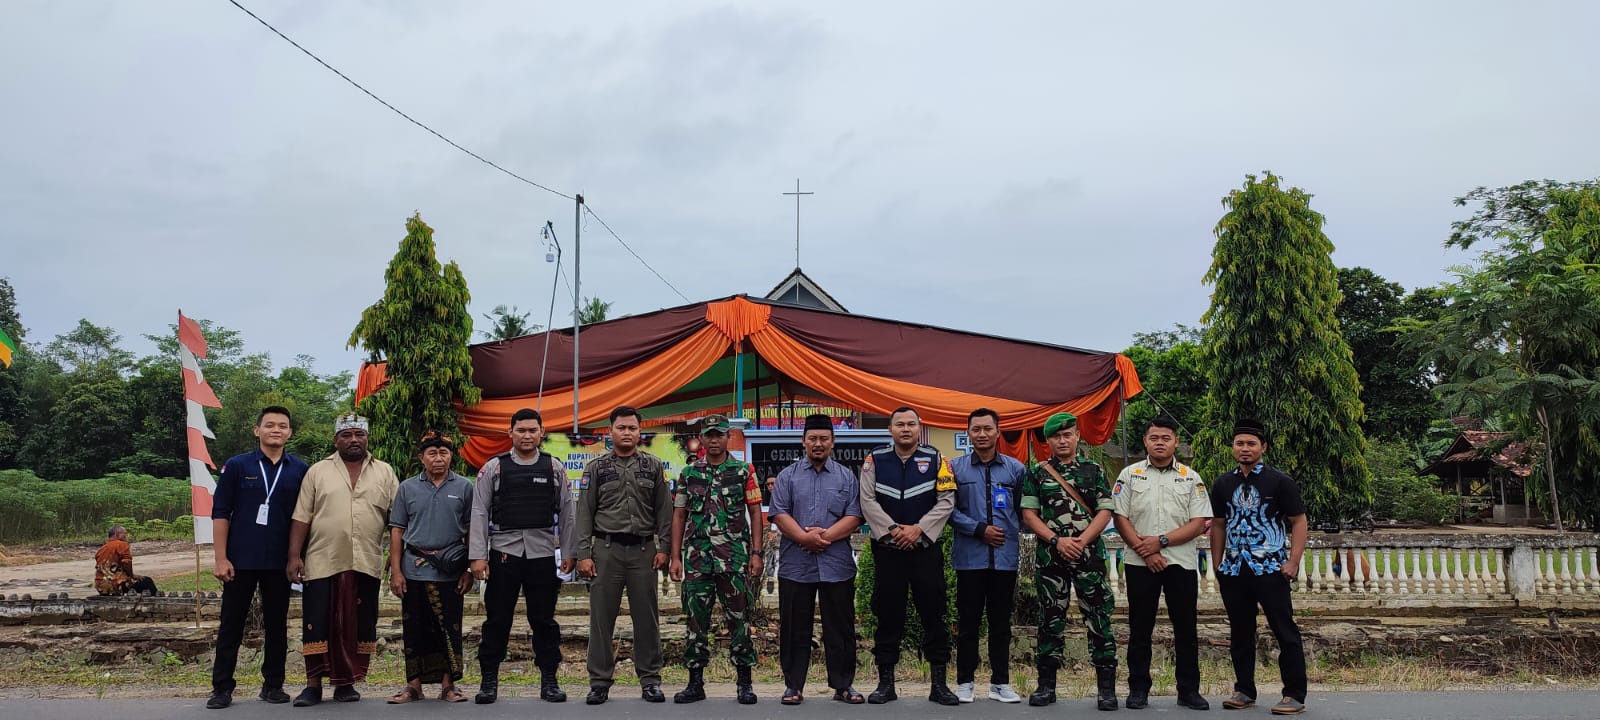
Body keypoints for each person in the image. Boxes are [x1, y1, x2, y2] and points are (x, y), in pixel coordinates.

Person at [285, 414, 399, 707]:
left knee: (357, 624)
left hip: (366, 562)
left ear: (367, 438)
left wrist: (396, 560)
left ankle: (346, 684)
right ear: (336, 440)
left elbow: (397, 521)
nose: (353, 440)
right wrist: (294, 556)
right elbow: (301, 516)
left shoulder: (384, 472)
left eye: (359, 434)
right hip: (322, 561)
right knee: (316, 623)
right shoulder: (317, 471)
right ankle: (312, 686)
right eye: (346, 435)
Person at [469, 408, 576, 704]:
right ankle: (489, 681)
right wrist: (477, 556)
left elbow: (567, 511)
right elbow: (479, 512)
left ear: (542, 433)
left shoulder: (554, 467)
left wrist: (569, 552)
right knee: (497, 620)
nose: (527, 435)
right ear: (510, 433)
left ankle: (550, 681)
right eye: (521, 430)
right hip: (504, 553)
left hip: (542, 554)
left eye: (532, 430)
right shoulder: (494, 468)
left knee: (544, 620)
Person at [206, 406, 308, 709]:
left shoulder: (300, 469)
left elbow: (305, 518)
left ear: (290, 432)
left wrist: (297, 557)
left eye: (282, 426)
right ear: (257, 430)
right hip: (241, 560)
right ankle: (222, 688)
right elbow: (220, 512)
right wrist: (221, 558)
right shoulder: (237, 466)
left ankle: (273, 685)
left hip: (280, 561)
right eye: (269, 425)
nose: (276, 430)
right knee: (231, 625)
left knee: (277, 625)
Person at [858, 406, 959, 706]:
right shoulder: (874, 460)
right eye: (899, 424)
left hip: (924, 551)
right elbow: (867, 500)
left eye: (911, 424)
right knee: (887, 616)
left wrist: (918, 530)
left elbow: (947, 500)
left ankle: (939, 684)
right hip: (888, 552)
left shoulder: (937, 459)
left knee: (934, 615)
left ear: (919, 427)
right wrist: (891, 530)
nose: (905, 429)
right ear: (890, 429)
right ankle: (885, 684)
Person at [1019, 411, 1119, 711]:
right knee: (1050, 618)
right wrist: (1057, 540)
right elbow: (1029, 514)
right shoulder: (1037, 473)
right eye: (1056, 436)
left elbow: (1105, 510)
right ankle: (1046, 686)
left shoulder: (1093, 470)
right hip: (1051, 557)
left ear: (1077, 436)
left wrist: (1082, 540)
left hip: (1088, 556)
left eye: (1068, 434)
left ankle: (1106, 690)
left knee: (1099, 618)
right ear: (1048, 440)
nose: (1062, 440)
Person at [1111, 415, 1211, 711]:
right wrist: (1147, 551)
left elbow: (1198, 523)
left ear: (1175, 442)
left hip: (1180, 563)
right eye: (1154, 438)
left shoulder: (1190, 477)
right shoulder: (1129, 475)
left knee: (1186, 629)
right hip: (1140, 562)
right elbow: (1120, 517)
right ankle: (1138, 689)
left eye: (1166, 438)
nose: (1159, 443)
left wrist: (1162, 542)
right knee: (1140, 628)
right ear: (1145, 441)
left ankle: (1188, 690)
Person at [574, 406, 672, 705]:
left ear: (640, 432)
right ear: (611, 431)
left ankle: (651, 679)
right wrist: (583, 553)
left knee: (647, 619)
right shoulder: (596, 468)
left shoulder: (653, 467)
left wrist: (664, 547)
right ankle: (600, 681)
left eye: (632, 428)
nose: (627, 433)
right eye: (621, 428)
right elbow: (584, 512)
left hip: (643, 551)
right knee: (602, 620)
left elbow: (664, 511)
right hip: (605, 552)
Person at [1211, 419, 1309, 716]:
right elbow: (1217, 524)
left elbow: (1299, 521)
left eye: (1251, 444)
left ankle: (1294, 694)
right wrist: (1218, 564)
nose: (1245, 449)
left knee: (1284, 629)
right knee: (1241, 631)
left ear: (1262, 448)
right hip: (1235, 569)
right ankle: (1244, 690)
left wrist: (1292, 561)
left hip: (1271, 568)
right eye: (1239, 443)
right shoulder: (1223, 483)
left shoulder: (1280, 481)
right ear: (1232, 447)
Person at [668, 414, 764, 705]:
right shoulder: (689, 473)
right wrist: (675, 557)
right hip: (698, 559)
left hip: (733, 559)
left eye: (719, 435)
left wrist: (757, 553)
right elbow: (679, 515)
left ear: (727, 437)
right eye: (709, 435)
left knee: (739, 620)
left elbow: (756, 512)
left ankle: (744, 683)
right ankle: (695, 683)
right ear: (703, 437)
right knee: (696, 621)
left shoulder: (743, 470)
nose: (713, 440)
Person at [769, 413, 865, 706]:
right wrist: (804, 538)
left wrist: (823, 537)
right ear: (803, 441)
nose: (818, 444)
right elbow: (779, 514)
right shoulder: (787, 476)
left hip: (836, 564)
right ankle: (793, 686)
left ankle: (843, 684)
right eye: (813, 438)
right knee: (794, 628)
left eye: (824, 438)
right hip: (796, 564)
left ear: (833, 442)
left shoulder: (847, 476)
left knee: (841, 628)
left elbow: (855, 516)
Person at [386, 431, 474, 704]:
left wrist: (469, 569)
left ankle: (449, 686)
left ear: (451, 456)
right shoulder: (407, 488)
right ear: (422, 457)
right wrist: (396, 571)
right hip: (413, 569)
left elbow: (472, 530)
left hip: (450, 570)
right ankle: (413, 686)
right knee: (414, 629)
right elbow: (397, 530)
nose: (439, 458)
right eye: (432, 453)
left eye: (444, 453)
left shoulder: (464, 487)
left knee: (450, 628)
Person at [947, 408, 1026, 704]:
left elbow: (1023, 511)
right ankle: (965, 681)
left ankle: (1000, 683)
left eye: (987, 429)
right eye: (976, 429)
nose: (982, 434)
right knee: (968, 622)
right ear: (968, 433)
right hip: (969, 559)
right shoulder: (954, 468)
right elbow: (947, 510)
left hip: (1004, 559)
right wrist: (979, 529)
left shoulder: (1015, 469)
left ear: (998, 431)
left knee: (1000, 624)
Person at [94, 525, 158, 597]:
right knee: (147, 581)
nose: (126, 536)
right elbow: (126, 562)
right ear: (117, 534)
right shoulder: (121, 544)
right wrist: (132, 575)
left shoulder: (101, 549)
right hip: (116, 584)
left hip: (100, 586)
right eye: (124, 534)